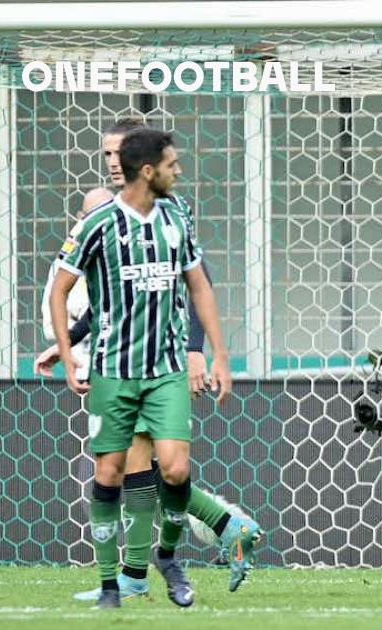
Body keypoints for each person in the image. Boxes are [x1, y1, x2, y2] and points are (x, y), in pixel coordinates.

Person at [37, 119, 262, 601]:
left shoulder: (173, 211)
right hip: (119, 358)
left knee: (164, 469)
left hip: (166, 356)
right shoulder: (107, 215)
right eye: (106, 155)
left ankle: (219, 526)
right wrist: (71, 338)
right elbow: (116, 291)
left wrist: (199, 349)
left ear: (141, 161)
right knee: (135, 470)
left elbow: (195, 281)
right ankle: (138, 575)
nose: (112, 162)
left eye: (118, 153)